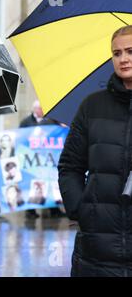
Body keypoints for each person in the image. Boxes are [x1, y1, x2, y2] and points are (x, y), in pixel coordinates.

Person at [58, 25, 132, 277]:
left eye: (131, 51)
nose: (123, 59)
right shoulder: (92, 106)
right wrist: (81, 209)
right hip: (96, 251)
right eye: (117, 53)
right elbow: (70, 166)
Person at [20, 100, 62, 218]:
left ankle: (54, 209)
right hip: (34, 158)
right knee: (34, 184)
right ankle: (31, 211)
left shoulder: (50, 122)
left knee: (48, 182)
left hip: (46, 158)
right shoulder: (27, 122)